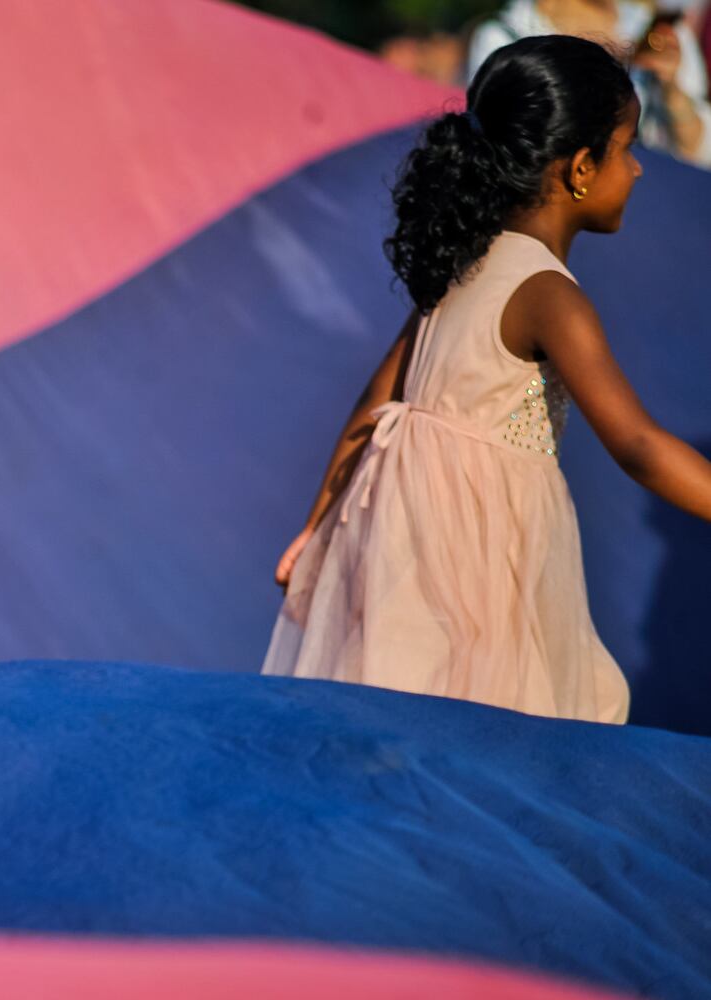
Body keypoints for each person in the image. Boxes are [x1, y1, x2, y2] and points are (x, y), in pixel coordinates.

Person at [263, 36, 711, 722]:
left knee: (408, 721)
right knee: (509, 727)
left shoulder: (462, 272)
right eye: (628, 148)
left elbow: (375, 404)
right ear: (582, 168)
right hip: (482, 568)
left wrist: (316, 523)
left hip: (403, 561)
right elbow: (638, 445)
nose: (641, 171)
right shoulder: (550, 295)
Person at [470, 1, 711, 167]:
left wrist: (671, 90)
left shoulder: (661, 30)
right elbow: (504, 145)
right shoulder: (504, 35)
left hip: (650, 211)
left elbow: (700, 155)